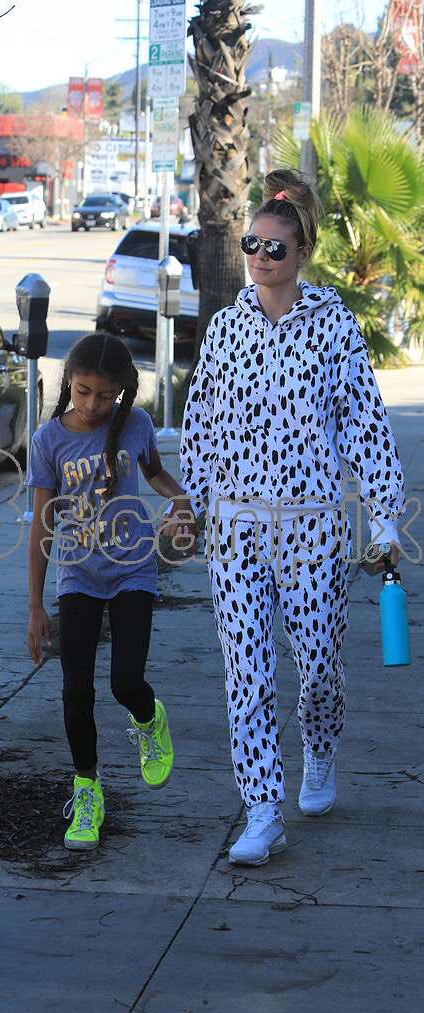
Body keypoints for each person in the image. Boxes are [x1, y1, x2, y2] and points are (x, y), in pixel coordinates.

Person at [180, 168, 404, 867]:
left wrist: (385, 516)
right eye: (251, 244)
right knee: (246, 671)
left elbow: (364, 422)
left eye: (274, 247)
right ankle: (262, 809)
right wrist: (193, 503)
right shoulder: (225, 329)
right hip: (238, 525)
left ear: (302, 252)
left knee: (318, 667)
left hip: (312, 524)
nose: (259, 256)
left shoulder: (334, 326)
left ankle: (321, 748)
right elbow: (201, 422)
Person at [26, 334, 192, 851]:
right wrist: (35, 607)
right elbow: (42, 525)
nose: (92, 404)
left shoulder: (136, 424)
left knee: (125, 681)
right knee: (76, 689)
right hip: (78, 575)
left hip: (131, 570)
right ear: (68, 383)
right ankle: (87, 790)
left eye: (104, 395)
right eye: (82, 392)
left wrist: (182, 501)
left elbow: (156, 473)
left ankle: (149, 717)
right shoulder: (48, 440)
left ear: (121, 391)